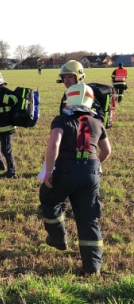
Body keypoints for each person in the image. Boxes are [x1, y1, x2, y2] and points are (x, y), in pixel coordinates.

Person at [40, 83, 111, 275]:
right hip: (91, 174)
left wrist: (48, 171)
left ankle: (58, 238)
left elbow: (54, 144)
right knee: (88, 219)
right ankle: (93, 268)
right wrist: (96, 165)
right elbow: (107, 150)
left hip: (65, 172)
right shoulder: (97, 121)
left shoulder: (62, 120)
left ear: (68, 99)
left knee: (49, 200)